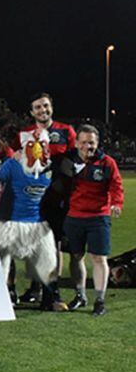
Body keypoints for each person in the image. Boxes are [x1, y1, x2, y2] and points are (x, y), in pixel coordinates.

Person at [0, 129, 66, 311]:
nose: (37, 150)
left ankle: (51, 299)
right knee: (0, 260)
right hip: (10, 222)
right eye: (32, 145)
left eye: (42, 145)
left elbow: (61, 190)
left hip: (37, 223)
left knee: (48, 260)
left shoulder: (51, 169)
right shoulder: (13, 165)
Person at [19, 93, 77, 303]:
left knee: (53, 245)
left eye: (45, 106)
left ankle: (53, 291)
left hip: (56, 197)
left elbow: (74, 163)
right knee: (32, 245)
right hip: (31, 198)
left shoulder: (65, 131)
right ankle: (36, 289)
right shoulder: (26, 133)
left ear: (51, 106)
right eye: (37, 108)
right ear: (32, 112)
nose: (42, 110)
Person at [63, 125, 124, 316]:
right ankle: (80, 295)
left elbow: (116, 186)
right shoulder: (68, 161)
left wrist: (117, 203)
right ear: (76, 142)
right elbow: (59, 185)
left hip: (98, 217)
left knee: (99, 258)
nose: (86, 146)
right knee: (76, 256)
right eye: (83, 142)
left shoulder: (107, 163)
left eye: (91, 142)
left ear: (97, 143)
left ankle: (100, 300)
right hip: (74, 216)